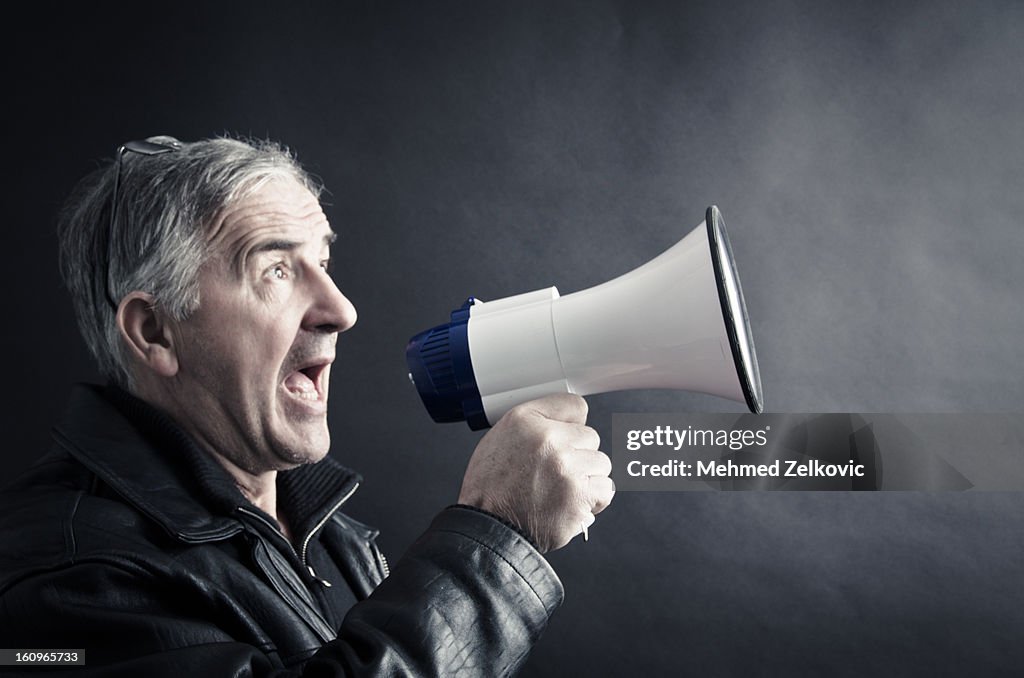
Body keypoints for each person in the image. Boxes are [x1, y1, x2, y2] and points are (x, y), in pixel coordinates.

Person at [0, 135, 614, 676]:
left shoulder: (329, 536)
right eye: (275, 270)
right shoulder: (66, 578)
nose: (341, 310)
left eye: (321, 261)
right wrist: (496, 536)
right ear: (156, 332)